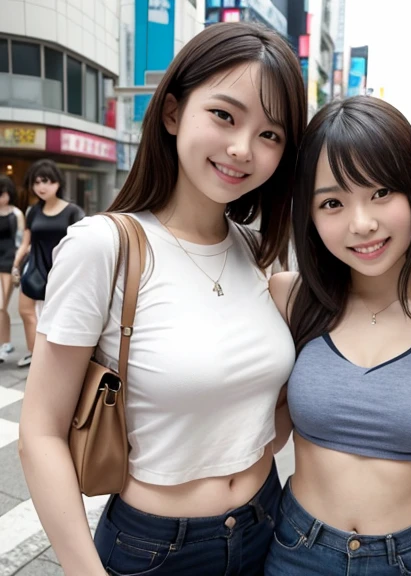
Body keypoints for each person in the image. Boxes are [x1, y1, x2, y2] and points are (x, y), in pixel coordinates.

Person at [19, 22, 306, 576]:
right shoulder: (105, 245)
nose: (242, 148)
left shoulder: (258, 254)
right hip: (155, 550)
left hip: (266, 525)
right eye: (224, 115)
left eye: (271, 135)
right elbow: (40, 432)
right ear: (173, 113)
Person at [265, 97, 411, 576]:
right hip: (296, 549)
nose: (362, 224)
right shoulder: (290, 298)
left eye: (381, 193)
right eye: (332, 202)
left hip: (407, 560)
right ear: (308, 215)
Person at [11, 160, 84, 368]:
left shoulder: (73, 212)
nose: (41, 187)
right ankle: (35, 355)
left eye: (46, 182)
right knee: (26, 311)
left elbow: (82, 245)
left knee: (56, 318)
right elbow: (26, 242)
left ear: (57, 183)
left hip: (61, 270)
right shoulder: (33, 211)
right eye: (36, 182)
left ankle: (55, 360)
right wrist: (16, 264)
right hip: (34, 267)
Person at [0, 175, 24, 362]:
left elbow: (21, 240)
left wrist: (17, 263)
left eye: (3, 194)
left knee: (1, 305)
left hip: (9, 260)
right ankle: (5, 342)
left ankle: (3, 344)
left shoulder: (16, 213)